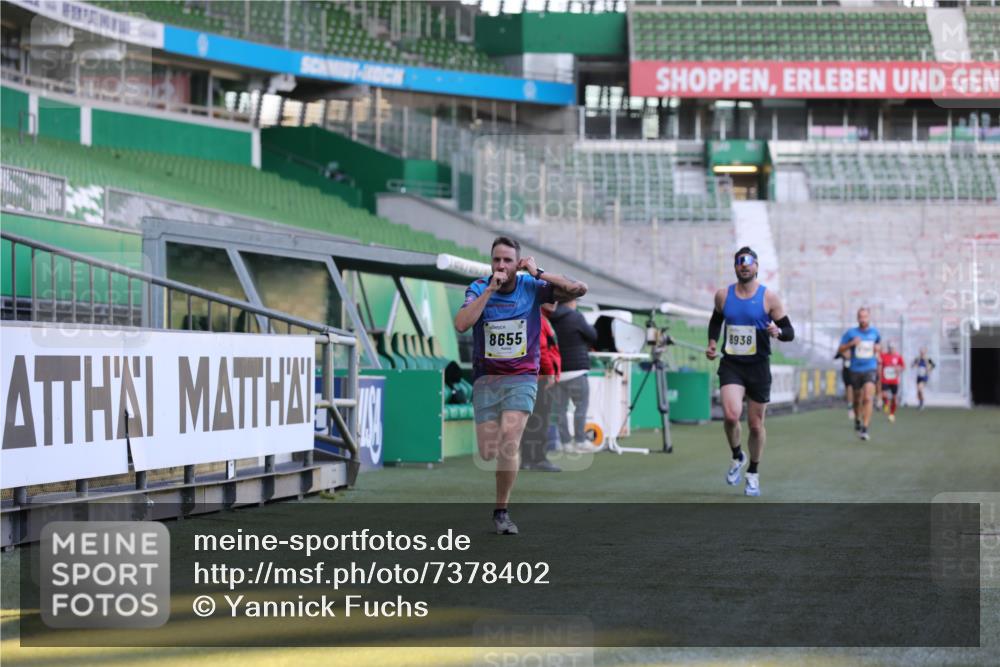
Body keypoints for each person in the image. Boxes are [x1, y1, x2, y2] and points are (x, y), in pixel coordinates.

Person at [454, 236, 587, 535]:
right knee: (489, 451)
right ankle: (501, 493)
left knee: (509, 439)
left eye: (507, 260)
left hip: (522, 377)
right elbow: (461, 324)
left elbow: (579, 288)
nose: (501, 265)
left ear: (518, 263)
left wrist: (539, 273)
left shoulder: (532, 287)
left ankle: (502, 510)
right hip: (487, 378)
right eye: (496, 260)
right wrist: (490, 290)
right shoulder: (478, 288)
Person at [706, 247, 794, 497]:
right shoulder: (723, 295)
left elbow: (789, 332)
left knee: (756, 426)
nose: (744, 266)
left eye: (748, 262)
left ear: (756, 267)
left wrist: (778, 332)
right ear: (735, 267)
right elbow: (716, 321)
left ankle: (753, 472)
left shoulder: (769, 298)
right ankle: (737, 456)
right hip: (732, 364)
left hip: (758, 367)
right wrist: (712, 343)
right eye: (739, 262)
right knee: (732, 416)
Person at [548, 299, 598, 451]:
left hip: (558, 371)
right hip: (577, 370)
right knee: (580, 407)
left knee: (561, 409)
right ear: (571, 301)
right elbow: (593, 336)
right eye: (575, 299)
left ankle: (565, 443)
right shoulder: (576, 317)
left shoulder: (550, 317)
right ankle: (580, 440)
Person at [520, 302, 562, 472]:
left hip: (535, 377)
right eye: (549, 298)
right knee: (540, 420)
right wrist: (550, 372)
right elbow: (541, 350)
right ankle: (538, 459)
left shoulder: (538, 318)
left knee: (533, 420)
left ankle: (528, 460)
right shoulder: (538, 319)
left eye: (555, 298)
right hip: (542, 378)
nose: (554, 302)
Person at [837, 308, 882, 441]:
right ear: (857, 318)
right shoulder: (851, 333)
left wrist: (878, 349)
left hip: (870, 368)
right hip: (855, 370)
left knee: (868, 397)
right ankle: (857, 418)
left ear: (869, 317)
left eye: (865, 317)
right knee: (857, 399)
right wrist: (851, 343)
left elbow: (879, 345)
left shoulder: (875, 333)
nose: (863, 319)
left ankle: (865, 427)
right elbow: (840, 349)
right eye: (860, 317)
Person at [879, 342, 906, 423]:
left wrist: (899, 369)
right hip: (885, 379)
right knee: (884, 394)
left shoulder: (898, 357)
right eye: (890, 348)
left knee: (894, 398)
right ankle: (886, 403)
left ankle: (891, 414)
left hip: (894, 380)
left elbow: (903, 366)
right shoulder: (883, 355)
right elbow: (879, 363)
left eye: (893, 348)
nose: (891, 349)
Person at [835, 351, 855, 421]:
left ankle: (855, 406)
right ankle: (850, 407)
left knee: (855, 390)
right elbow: (836, 356)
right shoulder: (844, 347)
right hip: (846, 372)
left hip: (856, 371)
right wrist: (843, 353)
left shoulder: (856, 348)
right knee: (849, 388)